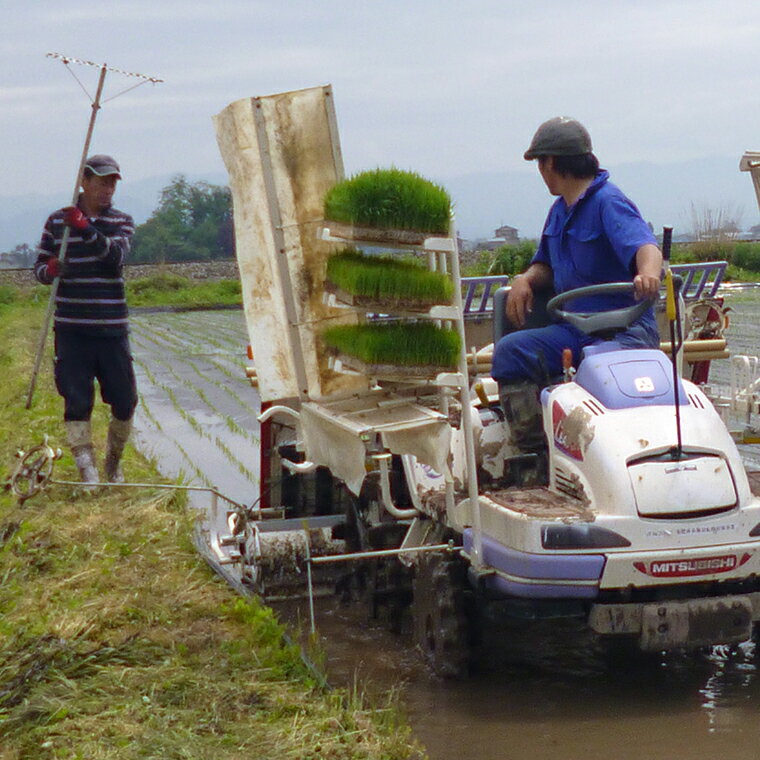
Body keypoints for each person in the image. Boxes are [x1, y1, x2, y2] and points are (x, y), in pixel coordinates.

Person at [491, 117, 662, 467]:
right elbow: (546, 267)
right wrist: (525, 279)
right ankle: (536, 455)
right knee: (510, 351)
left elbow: (646, 246)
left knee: (596, 366)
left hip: (624, 332)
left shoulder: (608, 202)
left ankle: (606, 458)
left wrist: (648, 274)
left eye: (539, 163)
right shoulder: (559, 212)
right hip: (574, 330)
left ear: (550, 163)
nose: (540, 173)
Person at [34, 154, 137, 484]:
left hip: (111, 328)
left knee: (125, 399)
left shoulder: (120, 222)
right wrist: (49, 271)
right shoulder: (56, 223)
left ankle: (113, 462)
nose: (108, 189)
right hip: (72, 328)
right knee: (76, 398)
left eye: (112, 183)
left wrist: (85, 227)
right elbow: (38, 269)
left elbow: (115, 257)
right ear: (84, 181)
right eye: (102, 182)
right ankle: (87, 471)